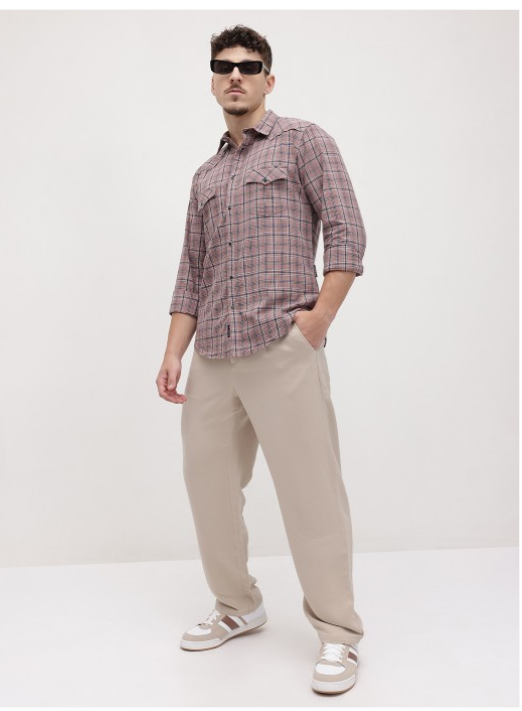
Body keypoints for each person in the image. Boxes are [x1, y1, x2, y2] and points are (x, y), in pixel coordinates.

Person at [156, 24, 366, 696]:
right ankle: (238, 604)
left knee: (311, 493)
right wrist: (173, 351)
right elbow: (191, 270)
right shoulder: (206, 175)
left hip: (282, 344)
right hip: (213, 354)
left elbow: (347, 231)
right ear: (213, 80)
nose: (235, 76)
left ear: (268, 79)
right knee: (208, 487)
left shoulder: (305, 141)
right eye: (224, 66)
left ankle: (338, 632)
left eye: (249, 67)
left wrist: (317, 321)